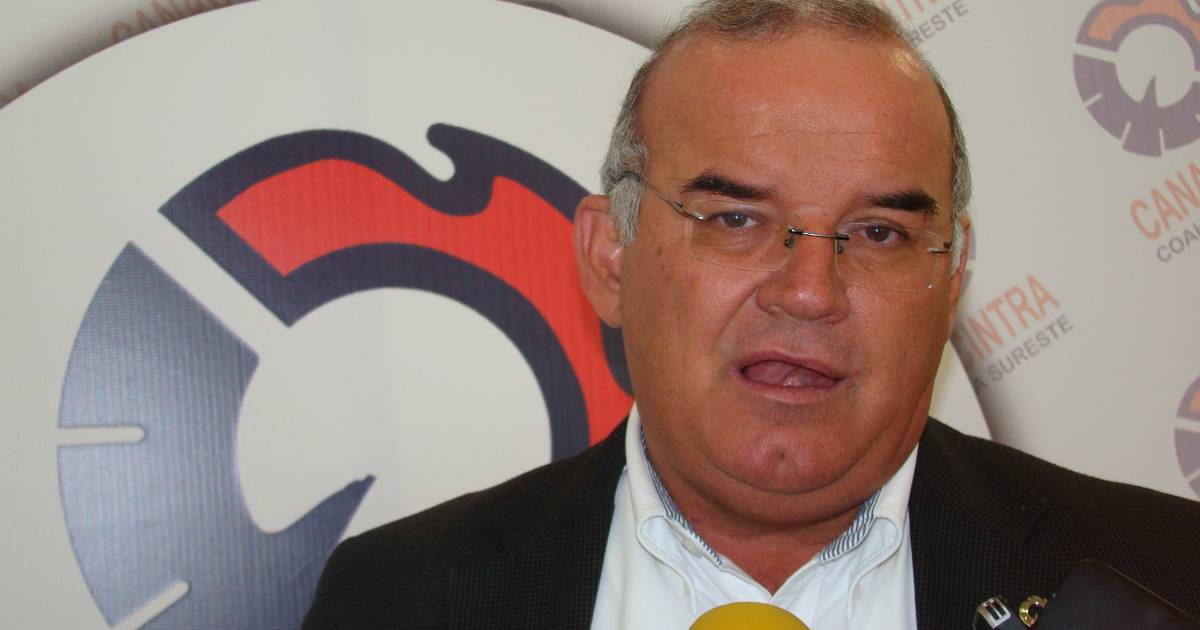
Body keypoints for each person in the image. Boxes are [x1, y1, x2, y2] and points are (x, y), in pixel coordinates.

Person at [303, 1, 1200, 628]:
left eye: (880, 232)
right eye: (735, 220)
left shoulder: (1165, 575)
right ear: (609, 256)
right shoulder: (398, 599)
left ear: (953, 271)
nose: (809, 292)